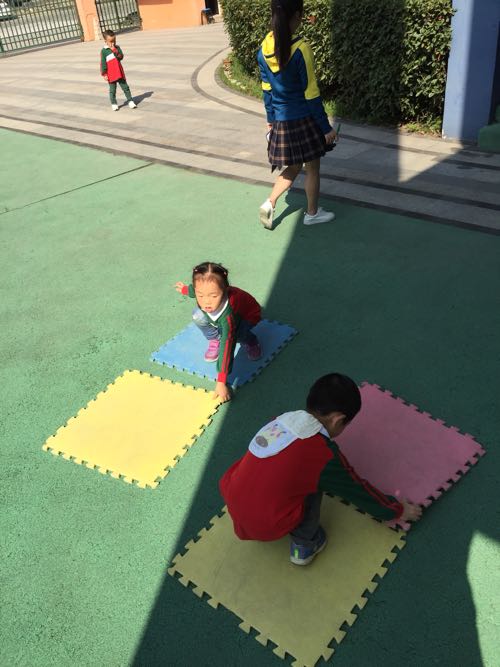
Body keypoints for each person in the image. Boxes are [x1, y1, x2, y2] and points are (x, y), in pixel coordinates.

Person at [220, 373, 422, 565]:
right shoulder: (323, 455)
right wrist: (396, 510)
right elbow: (357, 489)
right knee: (314, 480)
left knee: (271, 465)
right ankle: (304, 545)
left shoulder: (282, 419)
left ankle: (257, 518)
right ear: (337, 419)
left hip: (233, 501)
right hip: (266, 525)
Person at [257, 0, 336, 229]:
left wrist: (270, 121)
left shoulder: (263, 49)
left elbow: (267, 92)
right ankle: (312, 213)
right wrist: (325, 128)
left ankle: (270, 202)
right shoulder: (301, 49)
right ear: (298, 15)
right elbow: (311, 94)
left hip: (281, 121)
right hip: (304, 120)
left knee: (292, 167)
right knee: (312, 168)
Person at [175, 262, 262, 403]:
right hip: (222, 319)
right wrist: (185, 290)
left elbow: (227, 345)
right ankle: (214, 338)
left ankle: (251, 340)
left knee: (237, 334)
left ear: (225, 290)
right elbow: (195, 290)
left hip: (247, 316)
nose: (206, 302)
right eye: (200, 295)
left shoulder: (228, 316)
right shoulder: (203, 294)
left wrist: (221, 382)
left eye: (213, 296)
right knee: (197, 315)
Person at [100, 30, 137, 111]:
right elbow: (103, 63)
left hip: (119, 72)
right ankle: (114, 103)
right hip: (111, 74)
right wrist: (104, 74)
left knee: (125, 87)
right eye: (111, 41)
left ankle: (130, 101)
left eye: (114, 41)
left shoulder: (117, 48)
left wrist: (115, 51)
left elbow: (121, 57)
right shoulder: (104, 51)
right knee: (112, 90)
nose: (113, 43)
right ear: (105, 41)